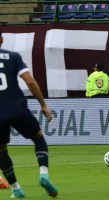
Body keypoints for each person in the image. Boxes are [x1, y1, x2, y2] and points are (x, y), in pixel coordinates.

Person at [0, 32, 58, 198]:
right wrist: (43, 105)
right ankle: (44, 174)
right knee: (38, 137)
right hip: (18, 108)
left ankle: (16, 188)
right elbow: (30, 81)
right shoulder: (13, 56)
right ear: (1, 40)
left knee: (1, 149)